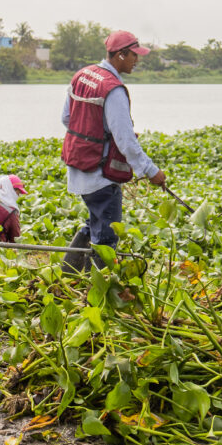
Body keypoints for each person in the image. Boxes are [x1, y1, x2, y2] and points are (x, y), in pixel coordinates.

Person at [60, 30, 166, 272]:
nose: (136, 61)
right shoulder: (114, 89)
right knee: (106, 238)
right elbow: (125, 140)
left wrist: (96, 136)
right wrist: (151, 171)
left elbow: (67, 118)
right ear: (120, 55)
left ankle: (68, 275)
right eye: (134, 55)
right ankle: (91, 292)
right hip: (100, 174)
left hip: (79, 167)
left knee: (95, 222)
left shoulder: (82, 76)